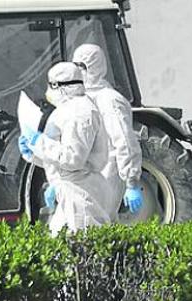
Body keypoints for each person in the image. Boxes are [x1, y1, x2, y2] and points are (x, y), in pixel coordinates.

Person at [19, 62, 119, 234]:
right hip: (71, 189)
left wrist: (38, 141)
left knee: (83, 249)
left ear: (61, 87)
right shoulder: (70, 109)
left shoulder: (79, 112)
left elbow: (73, 158)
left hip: (81, 193)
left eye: (52, 85)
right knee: (58, 245)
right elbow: (63, 157)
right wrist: (33, 154)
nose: (49, 90)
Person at [72, 43, 145, 217]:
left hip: (107, 174)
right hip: (87, 175)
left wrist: (131, 181)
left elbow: (124, 142)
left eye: (82, 66)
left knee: (99, 221)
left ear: (95, 66)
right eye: (75, 66)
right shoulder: (83, 98)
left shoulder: (110, 100)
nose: (77, 71)